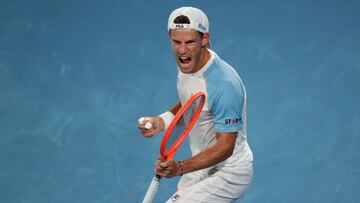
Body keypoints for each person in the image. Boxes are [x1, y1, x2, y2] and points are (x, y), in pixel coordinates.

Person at [138, 6, 253, 203]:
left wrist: (180, 167)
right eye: (176, 42)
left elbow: (225, 147)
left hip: (230, 172)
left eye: (190, 42)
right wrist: (162, 121)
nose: (182, 50)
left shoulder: (225, 85)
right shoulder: (187, 63)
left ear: (205, 39)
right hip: (202, 163)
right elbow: (192, 103)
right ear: (169, 37)